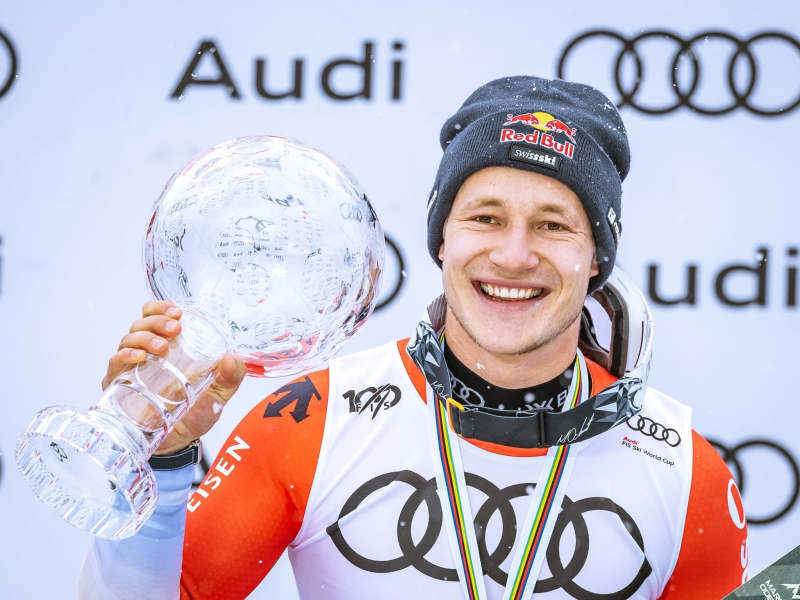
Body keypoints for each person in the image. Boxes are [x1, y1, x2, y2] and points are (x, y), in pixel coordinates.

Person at [80, 76, 748, 600]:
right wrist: (164, 461)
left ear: (597, 258)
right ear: (442, 241)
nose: (514, 256)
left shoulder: (683, 470)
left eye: (552, 225)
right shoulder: (313, 422)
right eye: (485, 217)